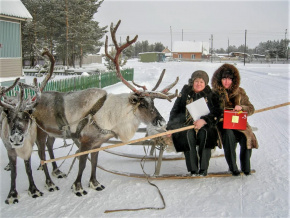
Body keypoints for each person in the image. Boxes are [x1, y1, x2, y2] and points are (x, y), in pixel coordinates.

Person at [167, 70, 222, 176]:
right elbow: (175, 111)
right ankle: (193, 169)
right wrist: (171, 127)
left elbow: (217, 111)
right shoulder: (184, 93)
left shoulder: (211, 94)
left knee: (206, 134)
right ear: (192, 82)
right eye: (197, 81)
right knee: (187, 135)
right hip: (186, 124)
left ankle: (203, 169)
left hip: (205, 124)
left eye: (202, 82)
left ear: (205, 83)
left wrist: (205, 120)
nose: (199, 84)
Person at [211, 63, 259, 176]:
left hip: (239, 123)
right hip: (224, 124)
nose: (226, 81)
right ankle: (233, 167)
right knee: (228, 136)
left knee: (246, 137)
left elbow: (251, 109)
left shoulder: (240, 92)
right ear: (220, 79)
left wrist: (242, 108)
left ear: (233, 80)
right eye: (224, 78)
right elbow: (210, 111)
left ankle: (246, 166)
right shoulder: (214, 94)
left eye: (229, 79)